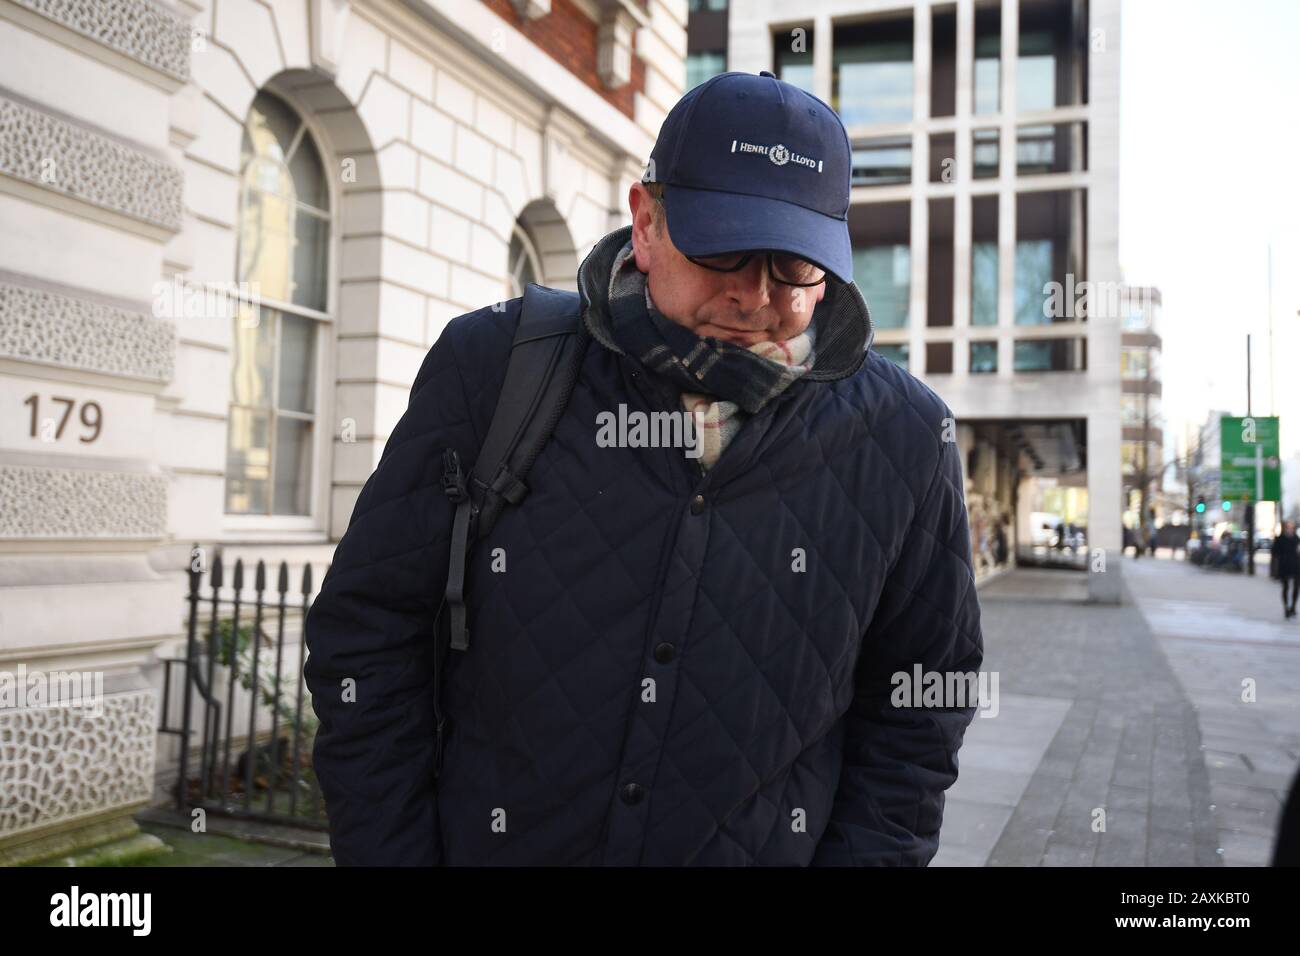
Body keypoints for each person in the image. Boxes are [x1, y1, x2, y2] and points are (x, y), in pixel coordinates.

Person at [303, 71, 983, 866]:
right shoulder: (494, 366)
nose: (754, 297)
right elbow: (366, 633)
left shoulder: (906, 437)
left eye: (794, 265)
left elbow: (920, 711)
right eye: (723, 247)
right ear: (646, 222)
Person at [1271, 520, 1300, 619]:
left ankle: (1293, 608)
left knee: (1296, 587)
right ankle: (1286, 608)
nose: (1290, 529)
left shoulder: (1297, 538)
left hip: (1296, 565)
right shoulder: (1280, 539)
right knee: (1286, 587)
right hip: (1284, 566)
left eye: (1292, 527)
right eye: (1288, 527)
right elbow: (1274, 552)